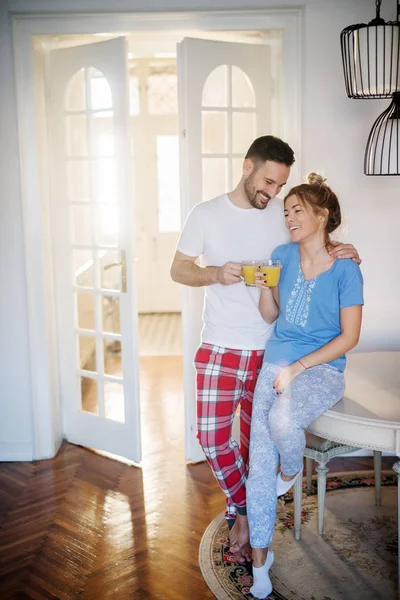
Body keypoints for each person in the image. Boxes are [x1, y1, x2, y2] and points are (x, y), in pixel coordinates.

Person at [170, 136, 360, 562]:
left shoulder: (283, 214)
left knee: (255, 447)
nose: (273, 194)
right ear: (247, 166)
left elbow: (316, 240)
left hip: (271, 351)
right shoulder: (206, 214)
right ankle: (241, 510)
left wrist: (346, 249)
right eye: (269, 182)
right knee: (212, 437)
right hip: (220, 343)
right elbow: (178, 269)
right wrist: (215, 273)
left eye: (280, 186)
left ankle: (250, 528)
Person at [246, 172, 363, 599]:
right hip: (273, 363)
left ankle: (291, 470)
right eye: (286, 211)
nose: (289, 217)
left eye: (297, 210)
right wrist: (264, 288)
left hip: (321, 370)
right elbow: (270, 316)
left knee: (282, 419)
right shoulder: (281, 254)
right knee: (259, 462)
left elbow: (349, 337)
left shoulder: (346, 267)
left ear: (322, 215)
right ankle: (261, 562)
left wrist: (297, 368)